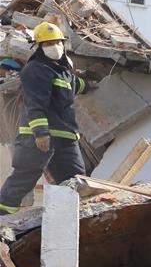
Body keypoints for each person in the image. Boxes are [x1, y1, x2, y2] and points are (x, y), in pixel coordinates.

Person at [0, 22, 96, 214]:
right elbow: (36, 104)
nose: (54, 46)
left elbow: (76, 85)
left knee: (74, 180)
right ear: (38, 47)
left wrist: (93, 83)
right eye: (47, 43)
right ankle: (2, 216)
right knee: (23, 178)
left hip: (66, 138)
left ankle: (65, 219)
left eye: (57, 42)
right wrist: (41, 133)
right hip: (37, 137)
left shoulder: (64, 73)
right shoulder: (35, 70)